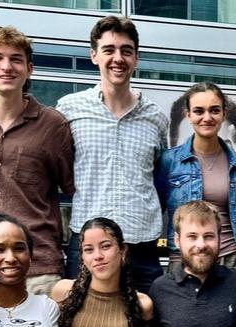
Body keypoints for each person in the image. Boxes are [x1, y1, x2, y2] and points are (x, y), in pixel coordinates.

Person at [0, 26, 75, 295]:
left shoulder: (52, 124)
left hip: (38, 267)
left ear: (29, 68)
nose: (6, 66)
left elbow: (73, 186)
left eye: (16, 59)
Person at [57, 15, 169, 293]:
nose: (118, 58)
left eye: (126, 51)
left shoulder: (155, 117)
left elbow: (160, 178)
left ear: (136, 58)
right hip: (87, 245)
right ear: (94, 55)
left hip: (141, 246)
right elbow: (57, 169)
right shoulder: (70, 109)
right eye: (109, 50)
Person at [156, 82, 236, 273]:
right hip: (184, 261)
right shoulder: (170, 161)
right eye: (199, 111)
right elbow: (155, 213)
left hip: (230, 260)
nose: (207, 117)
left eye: (214, 110)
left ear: (224, 113)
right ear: (188, 115)